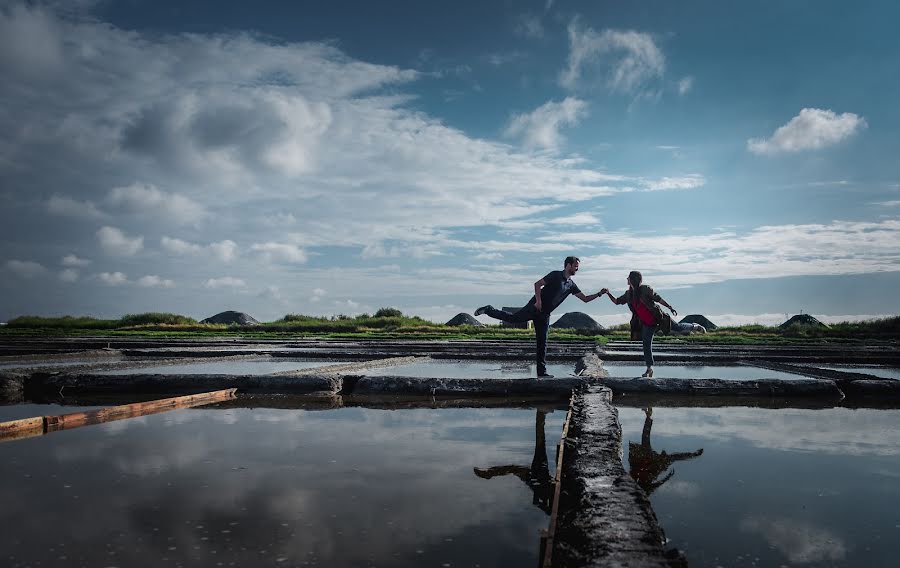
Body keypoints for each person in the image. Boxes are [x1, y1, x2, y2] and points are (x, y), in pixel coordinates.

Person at [474, 256, 603, 378]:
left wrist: (599, 294)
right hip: (535, 307)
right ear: (568, 265)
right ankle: (489, 309)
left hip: (545, 314)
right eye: (575, 266)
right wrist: (538, 301)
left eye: (577, 267)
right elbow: (537, 284)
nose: (577, 269)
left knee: (542, 343)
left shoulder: (571, 285)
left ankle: (541, 373)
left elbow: (585, 299)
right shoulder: (555, 275)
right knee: (513, 319)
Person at [601, 270, 705, 378]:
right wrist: (608, 293)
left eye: (628, 278)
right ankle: (649, 369)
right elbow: (617, 301)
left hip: (659, 318)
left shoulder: (645, 289)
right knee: (646, 344)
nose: (626, 279)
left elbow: (658, 299)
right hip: (647, 324)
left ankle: (695, 326)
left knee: (678, 328)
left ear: (632, 279)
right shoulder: (629, 294)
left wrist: (670, 307)